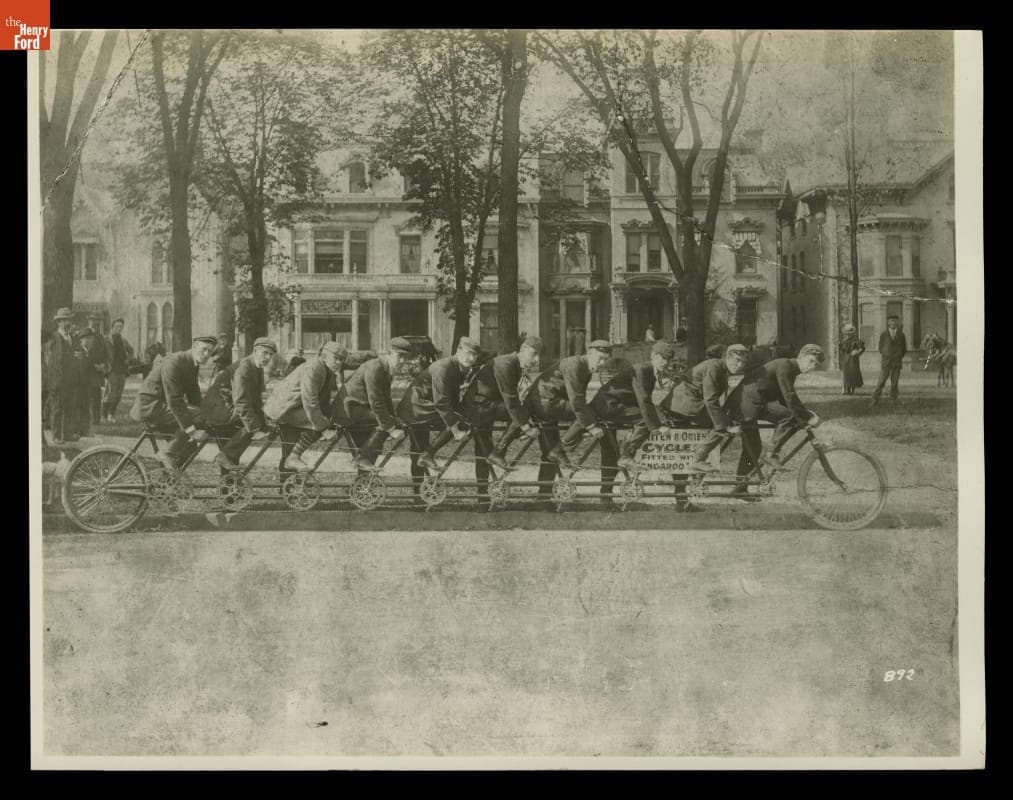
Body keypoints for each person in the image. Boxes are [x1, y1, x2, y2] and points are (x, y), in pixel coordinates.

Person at [726, 343, 825, 496]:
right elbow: (789, 396)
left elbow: (784, 398)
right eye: (810, 361)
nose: (811, 367)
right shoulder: (786, 366)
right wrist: (807, 416)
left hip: (746, 403)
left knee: (753, 447)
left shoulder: (789, 368)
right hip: (748, 404)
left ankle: (740, 489)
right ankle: (772, 454)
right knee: (790, 417)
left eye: (816, 365)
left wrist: (804, 415)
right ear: (801, 356)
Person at [527, 339, 612, 494]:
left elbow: (578, 399)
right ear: (590, 353)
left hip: (547, 403)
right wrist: (591, 426)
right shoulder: (575, 365)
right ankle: (562, 446)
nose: (602, 364)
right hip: (546, 403)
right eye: (600, 358)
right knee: (591, 413)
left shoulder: (585, 368)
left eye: (605, 360)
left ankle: (543, 495)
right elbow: (577, 401)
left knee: (550, 453)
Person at [460, 336, 544, 493]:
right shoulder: (506, 363)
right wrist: (525, 427)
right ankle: (499, 451)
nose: (536, 360)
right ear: (523, 349)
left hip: (483, 406)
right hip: (478, 408)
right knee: (523, 411)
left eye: (539, 356)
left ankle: (482, 498)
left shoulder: (514, 364)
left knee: (483, 452)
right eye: (534, 354)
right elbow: (510, 399)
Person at [396, 337, 481, 486]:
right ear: (458, 350)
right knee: (459, 421)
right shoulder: (444, 367)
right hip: (417, 407)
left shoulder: (459, 368)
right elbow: (441, 402)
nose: (471, 358)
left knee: (418, 451)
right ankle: (428, 455)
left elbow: (452, 398)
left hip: (423, 407)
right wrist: (455, 430)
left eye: (475, 355)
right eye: (468, 353)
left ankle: (418, 494)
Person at [130, 336, 218, 473]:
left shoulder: (192, 363)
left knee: (189, 446)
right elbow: (174, 399)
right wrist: (192, 430)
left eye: (210, 352)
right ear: (194, 347)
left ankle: (169, 478)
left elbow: (193, 392)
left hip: (161, 405)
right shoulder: (175, 362)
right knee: (194, 417)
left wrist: (207, 413)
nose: (207, 354)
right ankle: (168, 454)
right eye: (204, 349)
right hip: (150, 406)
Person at [663, 343, 750, 473]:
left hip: (685, 404)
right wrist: (722, 424)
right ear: (728, 357)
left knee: (721, 421)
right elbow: (710, 399)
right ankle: (698, 459)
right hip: (685, 405)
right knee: (723, 424)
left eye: (743, 362)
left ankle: (693, 467)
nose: (739, 365)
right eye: (737, 360)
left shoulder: (721, 368)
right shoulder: (715, 367)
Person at [264, 341, 346, 477]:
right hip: (283, 409)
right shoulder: (313, 367)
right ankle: (294, 458)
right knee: (319, 423)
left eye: (341, 360)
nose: (338, 362)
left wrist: (331, 419)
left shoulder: (327, 370)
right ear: (324, 355)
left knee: (290, 447)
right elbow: (310, 400)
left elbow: (324, 401)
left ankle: (288, 482)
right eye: (336, 358)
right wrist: (324, 428)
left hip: (293, 407)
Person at [200, 337, 277, 471]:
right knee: (252, 423)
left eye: (270, 354)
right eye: (265, 353)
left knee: (255, 422)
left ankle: (228, 464)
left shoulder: (257, 367)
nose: (268, 357)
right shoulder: (244, 367)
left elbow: (256, 399)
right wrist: (255, 428)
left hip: (228, 406)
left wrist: (265, 424)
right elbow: (241, 401)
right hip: (217, 409)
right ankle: (225, 455)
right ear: (255, 351)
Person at [340, 337, 413, 472]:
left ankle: (362, 480)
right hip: (349, 409)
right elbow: (376, 400)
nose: (402, 361)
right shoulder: (374, 367)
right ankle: (361, 458)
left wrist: (394, 418)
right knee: (386, 423)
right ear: (389, 353)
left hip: (360, 409)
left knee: (374, 446)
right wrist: (390, 426)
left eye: (405, 357)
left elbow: (386, 399)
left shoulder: (386, 370)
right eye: (400, 356)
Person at [616, 341, 679, 470]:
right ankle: (626, 455)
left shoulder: (651, 370)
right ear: (654, 356)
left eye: (669, 360)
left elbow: (646, 399)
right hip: (614, 404)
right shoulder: (642, 369)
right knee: (645, 420)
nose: (666, 363)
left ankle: (627, 450)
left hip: (623, 404)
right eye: (663, 358)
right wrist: (657, 426)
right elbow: (644, 399)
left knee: (648, 417)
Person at [46, 307, 80, 444]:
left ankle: (67, 434)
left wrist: (78, 356)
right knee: (57, 409)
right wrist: (54, 382)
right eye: (64, 320)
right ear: (58, 322)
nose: (67, 323)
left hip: (70, 380)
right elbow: (52, 362)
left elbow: (75, 355)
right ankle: (55, 436)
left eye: (69, 320)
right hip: (58, 380)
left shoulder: (72, 337)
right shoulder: (54, 338)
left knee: (70, 407)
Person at [871, 315, 907, 405]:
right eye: (891, 321)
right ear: (888, 322)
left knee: (894, 382)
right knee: (881, 381)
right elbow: (880, 348)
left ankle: (893, 399)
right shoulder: (884, 334)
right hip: (886, 361)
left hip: (896, 362)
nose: (893, 323)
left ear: (897, 322)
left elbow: (904, 349)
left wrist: (898, 356)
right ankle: (875, 398)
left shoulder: (901, 335)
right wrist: (886, 354)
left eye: (895, 321)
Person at [103, 318, 135, 422]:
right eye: (117, 326)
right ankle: (104, 415)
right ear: (112, 327)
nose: (119, 329)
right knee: (111, 392)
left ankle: (111, 414)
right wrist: (105, 363)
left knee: (119, 393)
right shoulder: (106, 339)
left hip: (122, 370)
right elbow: (101, 353)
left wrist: (128, 360)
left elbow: (131, 350)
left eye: (121, 327)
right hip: (111, 369)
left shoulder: (123, 340)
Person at [79, 328, 110, 427]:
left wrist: (102, 365)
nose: (88, 341)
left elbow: (105, 358)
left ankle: (96, 420)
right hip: (84, 380)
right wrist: (94, 366)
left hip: (95, 378)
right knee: (85, 400)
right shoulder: (79, 350)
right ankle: (85, 420)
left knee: (96, 398)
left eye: (91, 338)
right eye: (86, 338)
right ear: (81, 339)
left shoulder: (97, 349)